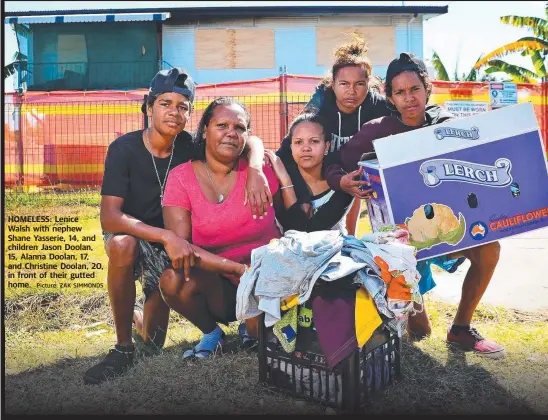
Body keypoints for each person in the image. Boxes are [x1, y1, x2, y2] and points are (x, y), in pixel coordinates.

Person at [84, 70, 272, 385]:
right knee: (121, 245)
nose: (174, 112)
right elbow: (110, 217)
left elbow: (248, 137)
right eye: (165, 103)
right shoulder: (124, 149)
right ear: (148, 108)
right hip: (139, 236)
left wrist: (254, 169)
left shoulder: (189, 146)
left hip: (175, 245)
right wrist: (165, 236)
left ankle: (139, 318)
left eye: (183, 106)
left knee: (154, 343)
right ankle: (122, 347)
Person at [325, 52, 504, 357]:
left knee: (490, 247)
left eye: (414, 90)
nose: (409, 98)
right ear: (390, 98)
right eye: (400, 92)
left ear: (426, 89)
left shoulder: (446, 124)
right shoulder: (376, 130)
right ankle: (408, 311)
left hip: (445, 232)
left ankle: (461, 328)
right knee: (420, 333)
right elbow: (333, 163)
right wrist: (342, 181)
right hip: (399, 244)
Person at [159, 97, 296, 359]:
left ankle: (254, 323)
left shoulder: (260, 172)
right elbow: (182, 249)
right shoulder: (181, 178)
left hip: (268, 280)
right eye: (222, 125)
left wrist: (256, 169)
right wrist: (238, 270)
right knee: (173, 279)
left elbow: (288, 221)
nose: (231, 133)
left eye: (240, 128)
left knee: (261, 339)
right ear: (205, 130)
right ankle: (213, 333)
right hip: (221, 284)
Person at [276, 36, 392, 236]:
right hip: (323, 174)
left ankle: (351, 238)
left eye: (360, 84)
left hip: (353, 171)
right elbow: (287, 151)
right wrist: (302, 196)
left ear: (369, 84)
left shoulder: (378, 106)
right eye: (344, 84)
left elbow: (410, 116)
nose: (352, 92)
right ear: (334, 84)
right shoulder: (321, 105)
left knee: (349, 219)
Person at [266, 112, 353, 234]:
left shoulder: (342, 181)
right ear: (291, 147)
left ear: (327, 146)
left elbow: (306, 232)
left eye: (314, 141)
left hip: (335, 251)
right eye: (298, 142)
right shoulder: (276, 180)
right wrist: (285, 180)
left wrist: (286, 182)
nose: (305, 148)